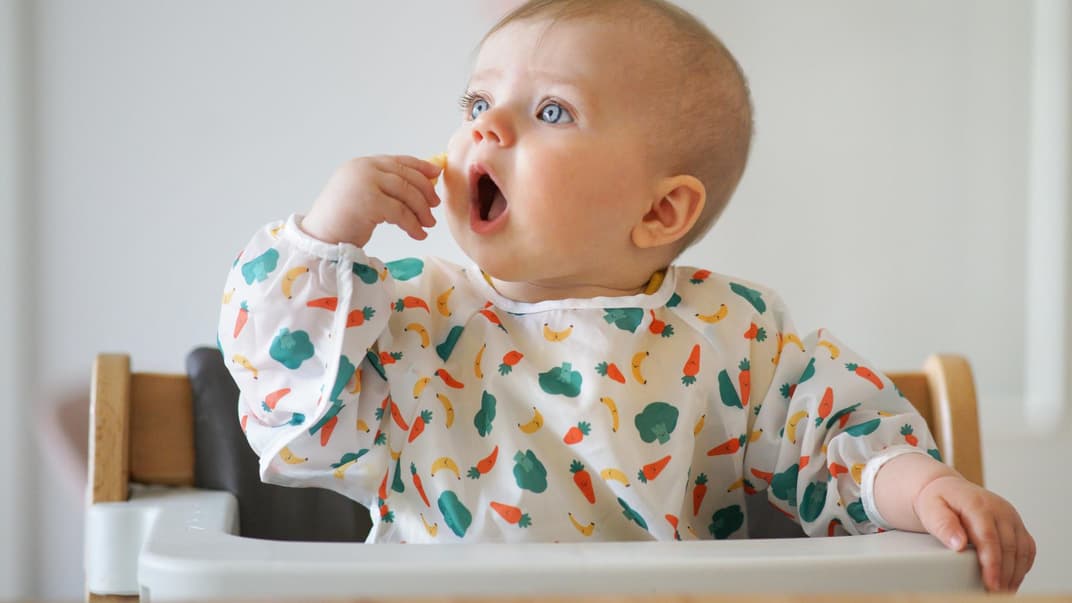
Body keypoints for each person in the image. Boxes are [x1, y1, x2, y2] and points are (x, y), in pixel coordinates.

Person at [218, 0, 1034, 591]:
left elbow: (834, 441)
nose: (487, 127)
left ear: (659, 210)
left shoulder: (732, 332)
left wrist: (926, 487)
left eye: (549, 110)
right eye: (476, 101)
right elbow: (287, 400)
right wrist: (325, 241)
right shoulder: (408, 318)